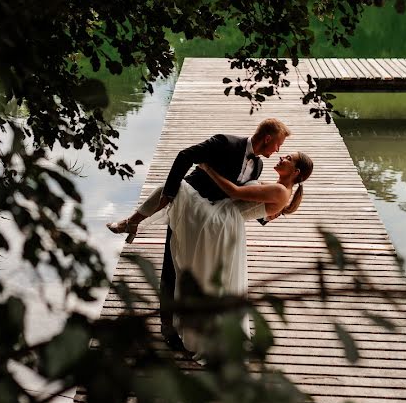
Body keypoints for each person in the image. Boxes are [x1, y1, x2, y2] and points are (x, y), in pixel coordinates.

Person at [106, 118, 291, 348]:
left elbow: (244, 197)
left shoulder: (259, 166)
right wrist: (172, 194)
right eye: (278, 145)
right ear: (267, 138)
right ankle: (167, 326)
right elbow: (185, 155)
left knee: (197, 273)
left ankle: (192, 322)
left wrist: (269, 213)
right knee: (171, 267)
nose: (278, 150)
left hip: (213, 221)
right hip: (189, 206)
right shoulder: (225, 143)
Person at [167, 151, 313, 355]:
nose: (281, 157)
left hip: (220, 224)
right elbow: (258, 207)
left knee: (178, 188)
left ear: (296, 172)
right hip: (224, 222)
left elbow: (235, 192)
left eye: (288, 158)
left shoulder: (281, 191)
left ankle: (134, 222)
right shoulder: (279, 188)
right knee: (210, 281)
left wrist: (208, 168)